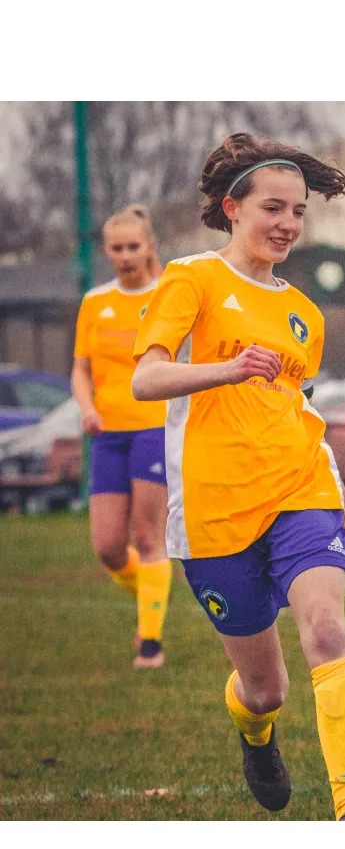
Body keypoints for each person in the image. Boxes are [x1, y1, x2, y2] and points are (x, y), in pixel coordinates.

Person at [131, 132, 345, 821]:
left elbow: (297, 416)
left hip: (300, 492)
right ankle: (256, 732)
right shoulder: (192, 279)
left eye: (299, 212)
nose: (288, 225)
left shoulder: (304, 314)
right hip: (216, 512)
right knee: (266, 688)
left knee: (328, 630)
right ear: (233, 207)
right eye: (274, 208)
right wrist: (228, 366)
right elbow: (146, 377)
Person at [71, 205, 172, 670]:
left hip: (153, 428)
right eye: (117, 248)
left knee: (148, 536)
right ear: (106, 252)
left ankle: (149, 641)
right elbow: (80, 369)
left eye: (134, 246)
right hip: (107, 434)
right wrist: (87, 409)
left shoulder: (167, 295)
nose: (126, 255)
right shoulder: (95, 301)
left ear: (149, 246)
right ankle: (152, 596)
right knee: (109, 548)